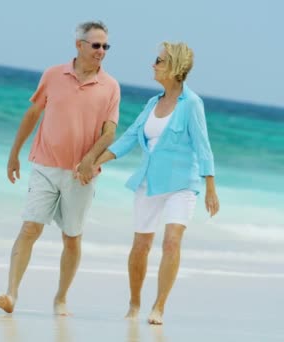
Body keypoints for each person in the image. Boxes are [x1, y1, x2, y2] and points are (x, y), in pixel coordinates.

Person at [0, 21, 121, 316]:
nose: (101, 51)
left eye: (105, 46)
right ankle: (11, 293)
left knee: (72, 238)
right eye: (96, 45)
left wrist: (90, 159)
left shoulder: (111, 87)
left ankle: (61, 298)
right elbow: (33, 113)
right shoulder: (53, 75)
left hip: (81, 175)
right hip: (44, 165)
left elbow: (109, 132)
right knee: (30, 227)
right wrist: (14, 153)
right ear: (79, 45)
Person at [89, 42, 220, 324]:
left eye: (159, 61)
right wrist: (95, 161)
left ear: (174, 67)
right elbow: (128, 138)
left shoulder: (192, 104)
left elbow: (203, 145)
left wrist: (210, 185)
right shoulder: (152, 103)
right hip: (149, 182)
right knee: (140, 246)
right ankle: (134, 303)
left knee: (172, 243)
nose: (153, 64)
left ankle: (158, 306)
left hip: (183, 184)